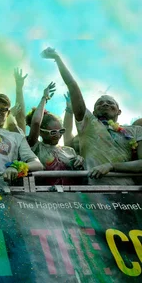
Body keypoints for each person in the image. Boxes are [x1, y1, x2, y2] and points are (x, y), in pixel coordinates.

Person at [42, 47, 142, 183]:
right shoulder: (88, 123)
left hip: (128, 195)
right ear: (93, 112)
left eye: (110, 102)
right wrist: (57, 59)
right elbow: (72, 85)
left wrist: (111, 166)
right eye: (100, 103)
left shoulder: (135, 131)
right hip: (93, 194)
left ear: (119, 111)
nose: (105, 104)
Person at [26, 82, 85, 186]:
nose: (58, 135)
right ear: (40, 132)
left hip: (71, 197)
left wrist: (79, 164)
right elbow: (35, 123)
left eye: (61, 131)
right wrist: (45, 97)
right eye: (53, 132)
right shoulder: (35, 147)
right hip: (45, 198)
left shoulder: (69, 150)